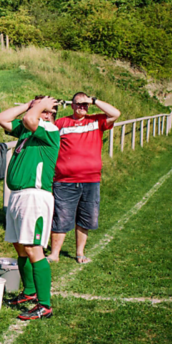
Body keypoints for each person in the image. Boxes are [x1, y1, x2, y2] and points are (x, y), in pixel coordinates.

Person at [0, 95, 60, 320]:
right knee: (20, 247)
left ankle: (45, 305)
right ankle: (29, 292)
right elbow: (1, 118)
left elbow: (32, 119)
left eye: (45, 111)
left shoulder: (50, 130)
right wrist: (29, 105)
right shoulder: (26, 129)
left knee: (33, 248)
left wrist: (39, 108)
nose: (39, 113)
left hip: (35, 196)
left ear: (50, 115)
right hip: (18, 195)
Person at [47, 93, 120, 264]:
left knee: (85, 218)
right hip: (64, 181)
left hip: (90, 180)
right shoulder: (62, 123)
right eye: (79, 104)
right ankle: (54, 253)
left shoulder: (96, 121)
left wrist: (94, 100)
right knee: (61, 217)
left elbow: (115, 114)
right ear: (72, 105)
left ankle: (80, 252)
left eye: (85, 105)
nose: (82, 107)